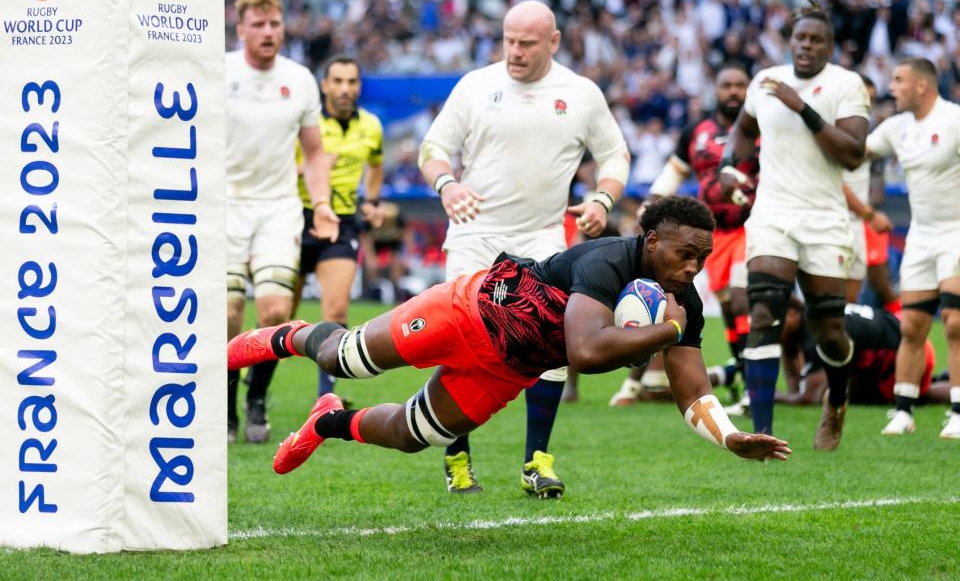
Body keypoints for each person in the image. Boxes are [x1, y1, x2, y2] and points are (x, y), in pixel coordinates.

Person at [226, 197, 791, 479]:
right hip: (467, 311)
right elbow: (586, 353)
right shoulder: (606, 262)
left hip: (506, 367)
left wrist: (729, 436)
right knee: (343, 357)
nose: (694, 267)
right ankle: (282, 335)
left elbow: (691, 388)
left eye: (702, 257)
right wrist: (664, 329)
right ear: (648, 241)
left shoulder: (683, 303)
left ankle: (328, 421)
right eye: (683, 253)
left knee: (408, 435)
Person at [417, 1, 631, 496]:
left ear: (552, 42)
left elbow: (615, 153)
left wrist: (603, 198)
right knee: (461, 345)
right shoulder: (475, 85)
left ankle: (537, 461)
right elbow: (432, 149)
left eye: (527, 43)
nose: (514, 51)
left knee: (552, 348)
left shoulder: (580, 94)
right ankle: (458, 459)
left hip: (541, 239)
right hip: (474, 235)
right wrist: (448, 186)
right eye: (509, 40)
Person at [719, 0, 870, 450]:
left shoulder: (846, 84)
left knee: (828, 329)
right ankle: (761, 433)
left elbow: (852, 152)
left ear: (830, 46)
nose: (806, 46)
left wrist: (802, 107)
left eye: (815, 40)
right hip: (773, 213)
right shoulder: (765, 81)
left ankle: (837, 400)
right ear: (791, 42)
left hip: (824, 219)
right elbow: (743, 130)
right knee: (763, 313)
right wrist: (730, 165)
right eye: (800, 38)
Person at [225, 0, 337, 443]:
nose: (268, 33)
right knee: (228, 314)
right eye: (259, 25)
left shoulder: (301, 79)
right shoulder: (218, 72)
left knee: (273, 311)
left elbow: (314, 153)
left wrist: (323, 204)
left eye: (275, 25)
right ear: (241, 29)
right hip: (224, 205)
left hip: (277, 207)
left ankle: (256, 399)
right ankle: (226, 406)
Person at [611, 62, 757, 407]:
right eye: (727, 85)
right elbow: (675, 171)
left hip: (755, 226)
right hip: (713, 237)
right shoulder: (697, 131)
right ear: (716, 91)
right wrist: (651, 204)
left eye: (740, 85)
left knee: (741, 300)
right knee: (729, 308)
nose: (734, 91)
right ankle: (741, 376)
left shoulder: (761, 130)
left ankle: (752, 388)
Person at [863, 59, 960, 438]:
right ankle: (903, 412)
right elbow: (854, 153)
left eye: (898, 80)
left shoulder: (953, 119)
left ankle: (958, 411)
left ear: (922, 86)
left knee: (954, 323)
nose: (892, 87)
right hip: (921, 236)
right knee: (912, 325)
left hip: (956, 232)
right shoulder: (896, 128)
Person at [291, 55, 386, 399]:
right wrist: (313, 168)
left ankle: (325, 400)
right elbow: (279, 167)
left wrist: (371, 202)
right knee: (279, 315)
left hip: (343, 223)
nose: (345, 89)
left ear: (359, 86)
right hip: (298, 219)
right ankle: (256, 394)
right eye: (338, 81)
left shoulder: (372, 126)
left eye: (352, 82)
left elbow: (376, 164)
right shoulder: (307, 123)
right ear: (325, 85)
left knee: (337, 311)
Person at [774, 301, 944, 407]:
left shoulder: (815, 331)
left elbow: (809, 397)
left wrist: (773, 396)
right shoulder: (814, 316)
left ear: (792, 314)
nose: (770, 330)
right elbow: (795, 388)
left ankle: (950, 389)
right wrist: (785, 345)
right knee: (852, 393)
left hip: (906, 352)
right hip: (906, 342)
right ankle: (944, 379)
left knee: (910, 395)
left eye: (774, 322)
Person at [840, 75, 900, 311]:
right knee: (827, 308)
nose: (866, 106)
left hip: (858, 221)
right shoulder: (828, 133)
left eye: (870, 100)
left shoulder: (867, 137)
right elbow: (833, 182)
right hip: (829, 221)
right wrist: (869, 214)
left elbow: (874, 184)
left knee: (850, 305)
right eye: (861, 98)